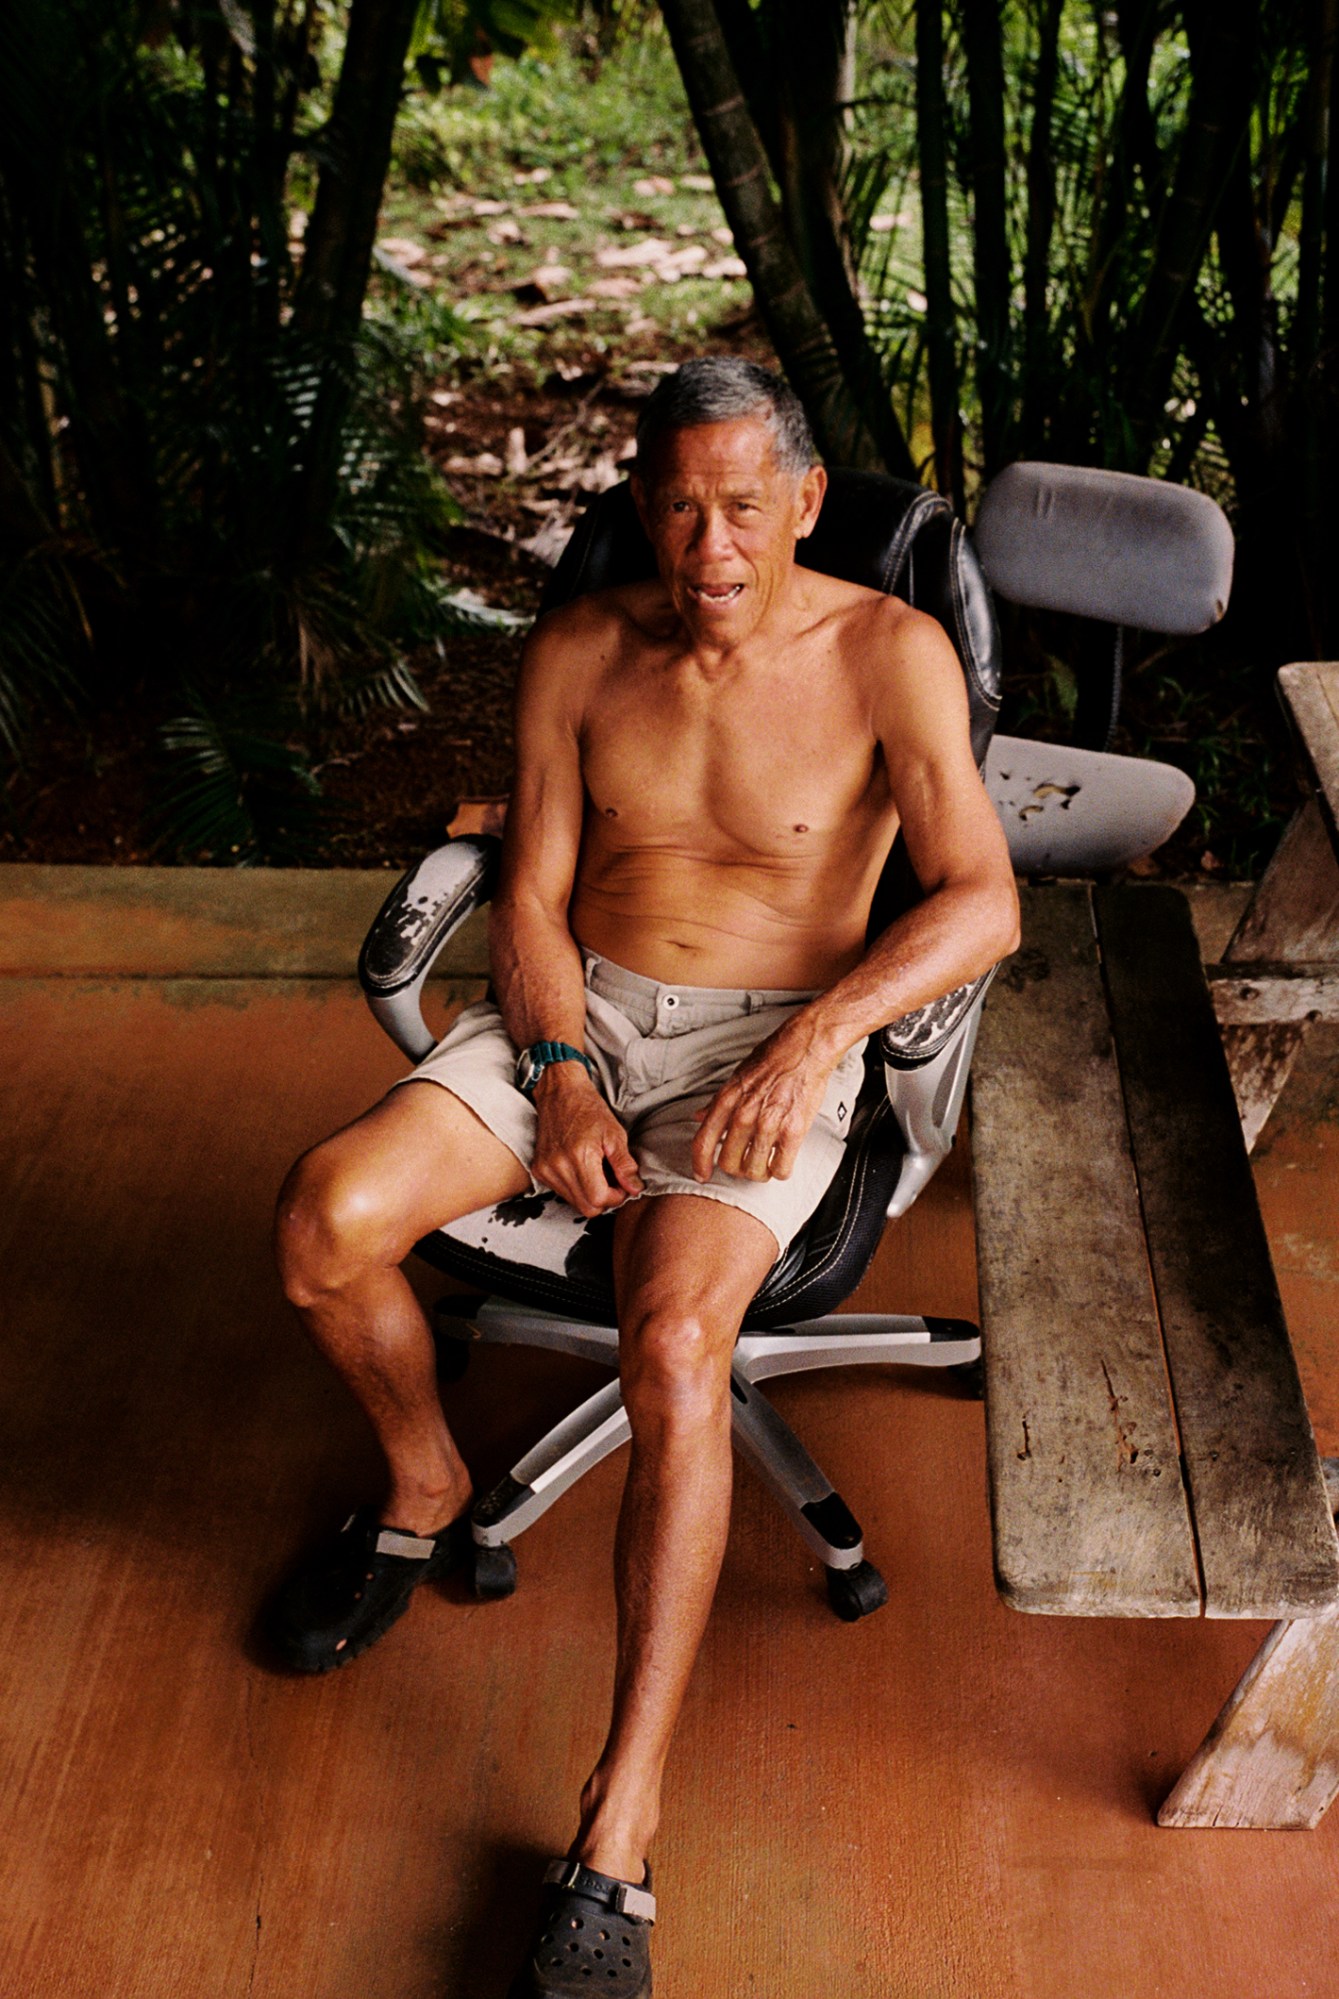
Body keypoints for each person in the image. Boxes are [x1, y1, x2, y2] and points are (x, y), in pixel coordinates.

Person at [269, 355, 1018, 1999]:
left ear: (807, 503)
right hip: (583, 1019)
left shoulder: (891, 654)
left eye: (744, 504)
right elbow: (530, 894)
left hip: (773, 1047)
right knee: (325, 1223)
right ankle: (423, 1486)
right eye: (674, 506)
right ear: (638, 509)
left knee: (675, 1346)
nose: (710, 544)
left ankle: (617, 1831)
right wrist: (552, 1071)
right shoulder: (582, 650)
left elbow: (981, 900)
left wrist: (819, 1043)